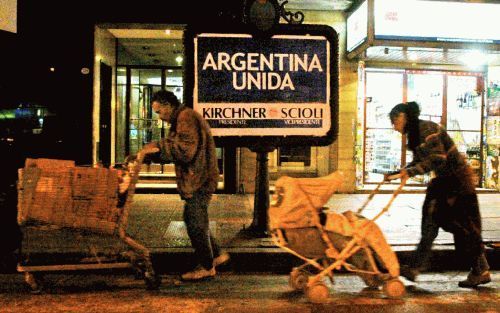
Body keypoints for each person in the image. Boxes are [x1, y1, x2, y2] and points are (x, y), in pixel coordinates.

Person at [385, 101, 490, 288]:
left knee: (458, 225)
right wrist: (398, 173)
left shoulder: (425, 128)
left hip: (455, 183)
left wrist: (409, 172)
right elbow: (420, 160)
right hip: (445, 182)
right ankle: (416, 267)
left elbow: (438, 158)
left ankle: (479, 269)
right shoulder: (416, 133)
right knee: (435, 221)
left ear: (403, 116)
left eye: (395, 121)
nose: (394, 126)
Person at [139, 90, 229, 281]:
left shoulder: (185, 118)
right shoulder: (183, 117)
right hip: (200, 175)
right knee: (195, 218)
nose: (160, 117)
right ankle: (217, 254)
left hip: (200, 178)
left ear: (167, 106)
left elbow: (185, 150)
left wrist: (157, 148)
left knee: (194, 220)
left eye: (159, 112)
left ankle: (206, 266)